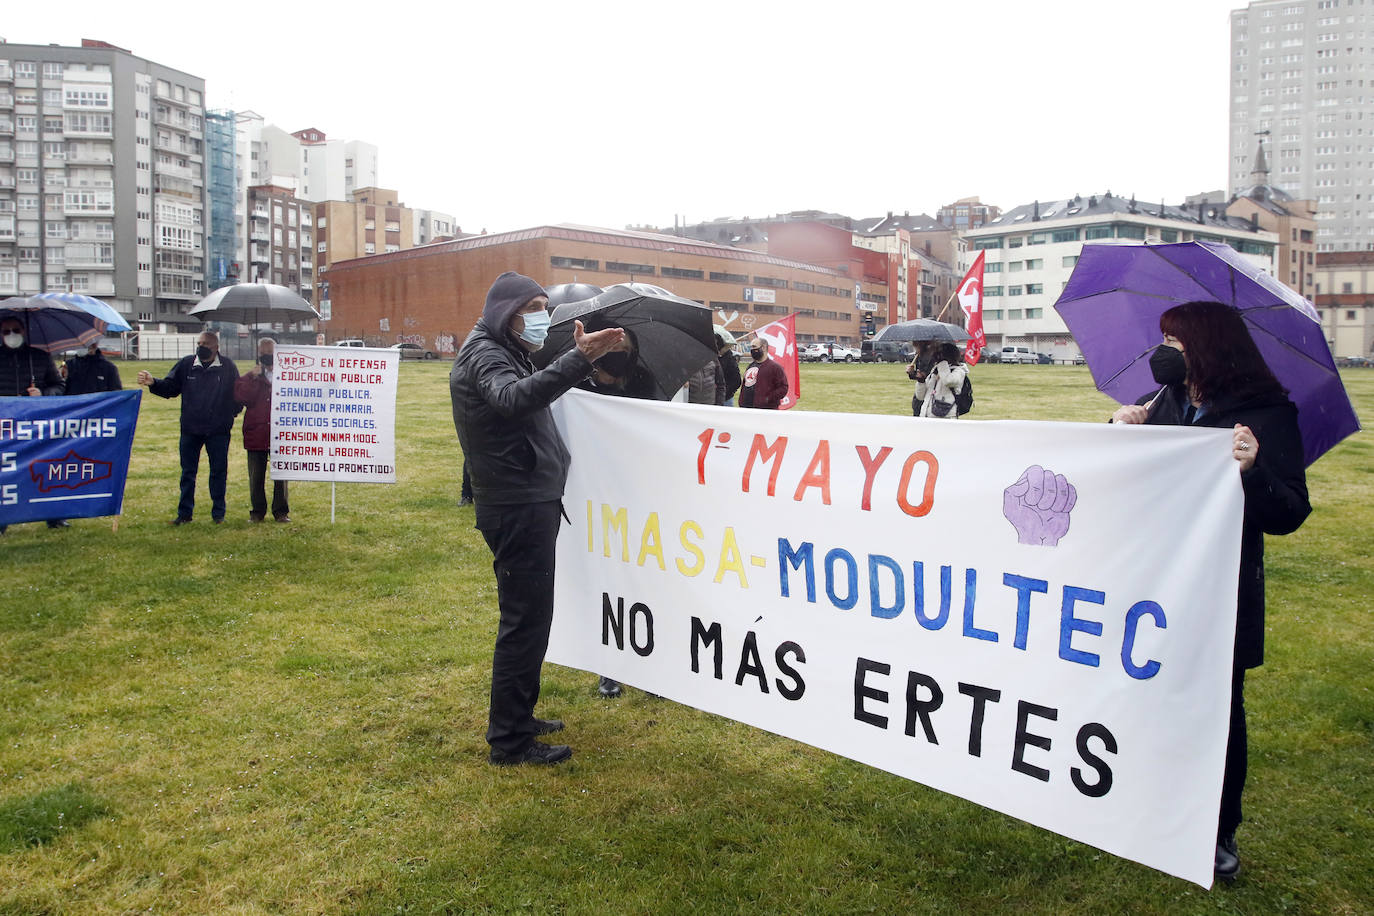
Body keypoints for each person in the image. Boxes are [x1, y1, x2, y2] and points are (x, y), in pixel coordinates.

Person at [1110, 300, 1310, 882]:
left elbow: (1290, 511)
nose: (1165, 351)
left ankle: (1217, 830)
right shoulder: (1166, 402)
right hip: (1154, 582)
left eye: (1176, 340)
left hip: (1221, 586)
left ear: (1209, 346)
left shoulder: (1268, 414)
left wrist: (1253, 469)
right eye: (1163, 338)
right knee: (1151, 699)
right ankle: (1155, 808)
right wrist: (1123, 432)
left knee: (1220, 710)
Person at [450, 271, 625, 766]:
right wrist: (579, 358)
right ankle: (509, 741)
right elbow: (512, 399)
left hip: (527, 497)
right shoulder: (485, 353)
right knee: (524, 622)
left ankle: (519, 717)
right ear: (506, 312)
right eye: (532, 307)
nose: (540, 317)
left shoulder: (504, 349)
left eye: (544, 306)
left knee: (532, 618)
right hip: (516, 503)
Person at [138, 330, 241, 525]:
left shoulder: (228, 367)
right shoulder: (186, 364)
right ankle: (184, 514)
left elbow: (237, 395)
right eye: (199, 342)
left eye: (206, 344)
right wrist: (153, 383)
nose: (201, 347)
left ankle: (218, 514)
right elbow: (171, 388)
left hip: (218, 431)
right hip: (190, 429)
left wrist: (229, 415)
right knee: (187, 473)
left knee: (218, 472)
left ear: (216, 348)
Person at [0, 315, 68, 533]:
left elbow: (59, 386)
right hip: (5, 427)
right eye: (6, 331)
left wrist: (42, 393)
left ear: (24, 331)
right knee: (6, 472)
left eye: (16, 330)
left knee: (45, 469)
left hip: (37, 425)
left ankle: (54, 516)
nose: (12, 335)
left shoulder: (40, 357)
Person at [233, 337, 289, 523]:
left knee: (281, 475)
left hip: (280, 433)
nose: (268, 357)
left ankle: (281, 511)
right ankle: (257, 511)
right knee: (256, 476)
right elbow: (242, 397)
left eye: (270, 353)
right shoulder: (250, 377)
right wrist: (254, 378)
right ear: (258, 354)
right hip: (256, 433)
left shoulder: (287, 374)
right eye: (264, 354)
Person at [909, 342, 968, 418]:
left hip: (946, 417)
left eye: (938, 354)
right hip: (926, 416)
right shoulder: (935, 371)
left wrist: (942, 362)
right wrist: (921, 381)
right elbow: (920, 396)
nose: (934, 356)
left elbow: (948, 381)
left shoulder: (959, 371)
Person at [738, 336, 787, 409]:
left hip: (766, 410)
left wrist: (768, 399)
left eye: (754, 347)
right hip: (747, 408)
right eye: (751, 347)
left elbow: (783, 388)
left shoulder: (775, 367)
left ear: (763, 348)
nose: (752, 350)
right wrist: (741, 401)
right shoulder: (750, 366)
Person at [717, 332, 741, 406]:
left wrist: (724, 393)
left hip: (725, 398)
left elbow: (737, 381)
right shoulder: (711, 356)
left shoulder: (730, 359)